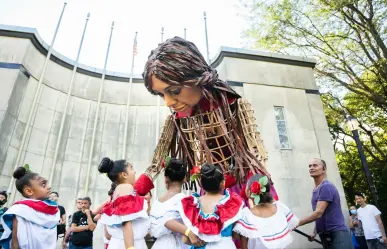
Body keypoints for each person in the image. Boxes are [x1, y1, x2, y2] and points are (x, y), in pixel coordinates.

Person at [139, 36, 278, 202]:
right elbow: (158, 161)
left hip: (245, 187)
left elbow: (256, 150)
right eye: (162, 95)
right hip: (210, 192)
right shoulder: (177, 119)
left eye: (174, 91)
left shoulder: (236, 105)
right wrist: (135, 191)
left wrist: (255, 185)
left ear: (197, 77)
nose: (168, 102)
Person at [178, 163, 244, 249]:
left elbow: (185, 239)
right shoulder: (231, 203)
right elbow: (236, 235)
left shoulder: (191, 205)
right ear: (223, 183)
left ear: (202, 184)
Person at [296, 158, 353, 249]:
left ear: (324, 169)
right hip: (325, 235)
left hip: (337, 234)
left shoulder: (326, 187)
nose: (311, 168)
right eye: (310, 166)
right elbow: (319, 215)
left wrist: (296, 223)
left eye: (315, 165)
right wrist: (314, 232)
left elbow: (318, 213)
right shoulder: (316, 189)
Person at [233, 173, 299, 249]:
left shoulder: (245, 215)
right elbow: (294, 222)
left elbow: (240, 241)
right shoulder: (279, 207)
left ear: (248, 192)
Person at [0, 166, 59, 249]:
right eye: (43, 184)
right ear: (29, 191)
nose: (49, 187)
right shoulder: (20, 210)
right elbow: (15, 241)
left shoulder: (52, 209)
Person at [98, 157, 150, 249]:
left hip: (123, 241)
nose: (134, 172)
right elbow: (126, 221)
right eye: (131, 168)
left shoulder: (120, 189)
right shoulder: (126, 187)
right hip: (127, 243)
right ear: (124, 175)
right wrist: (130, 247)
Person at [149, 157, 201, 249]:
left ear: (166, 178)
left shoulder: (156, 202)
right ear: (185, 179)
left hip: (158, 244)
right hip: (178, 244)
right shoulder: (186, 200)